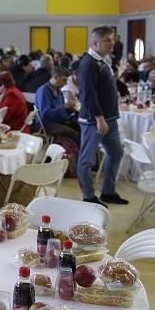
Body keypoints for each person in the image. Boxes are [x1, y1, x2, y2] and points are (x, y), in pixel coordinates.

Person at [77, 26, 126, 207]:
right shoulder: (88, 63)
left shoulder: (103, 60)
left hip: (109, 118)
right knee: (87, 159)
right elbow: (88, 94)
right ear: (96, 43)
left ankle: (108, 191)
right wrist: (99, 117)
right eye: (108, 41)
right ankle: (88, 197)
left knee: (116, 153)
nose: (112, 44)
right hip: (94, 120)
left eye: (112, 40)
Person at [34, 66, 79, 140]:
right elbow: (45, 115)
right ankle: (79, 151)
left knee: (79, 124)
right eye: (64, 80)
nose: (65, 83)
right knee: (73, 133)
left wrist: (70, 109)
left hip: (58, 120)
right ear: (55, 77)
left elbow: (61, 110)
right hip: (46, 124)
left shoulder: (58, 91)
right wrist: (64, 107)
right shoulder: (43, 92)